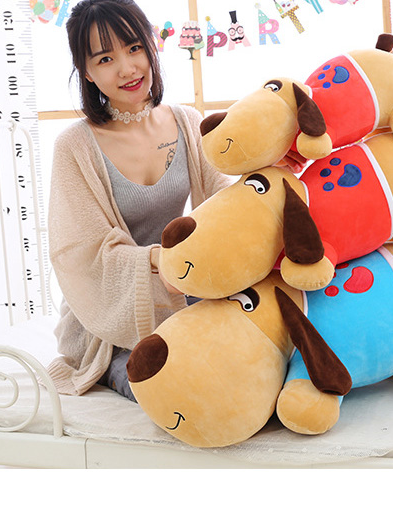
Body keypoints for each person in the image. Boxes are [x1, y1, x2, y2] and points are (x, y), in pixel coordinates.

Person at [45, 0, 232, 400]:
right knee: (176, 388)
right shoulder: (75, 147)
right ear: (87, 72)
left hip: (185, 291)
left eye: (134, 48)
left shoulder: (187, 122)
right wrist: (158, 259)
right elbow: (83, 254)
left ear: (150, 46)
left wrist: (268, 176)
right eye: (105, 58)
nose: (127, 68)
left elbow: (225, 203)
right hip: (109, 322)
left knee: (252, 356)